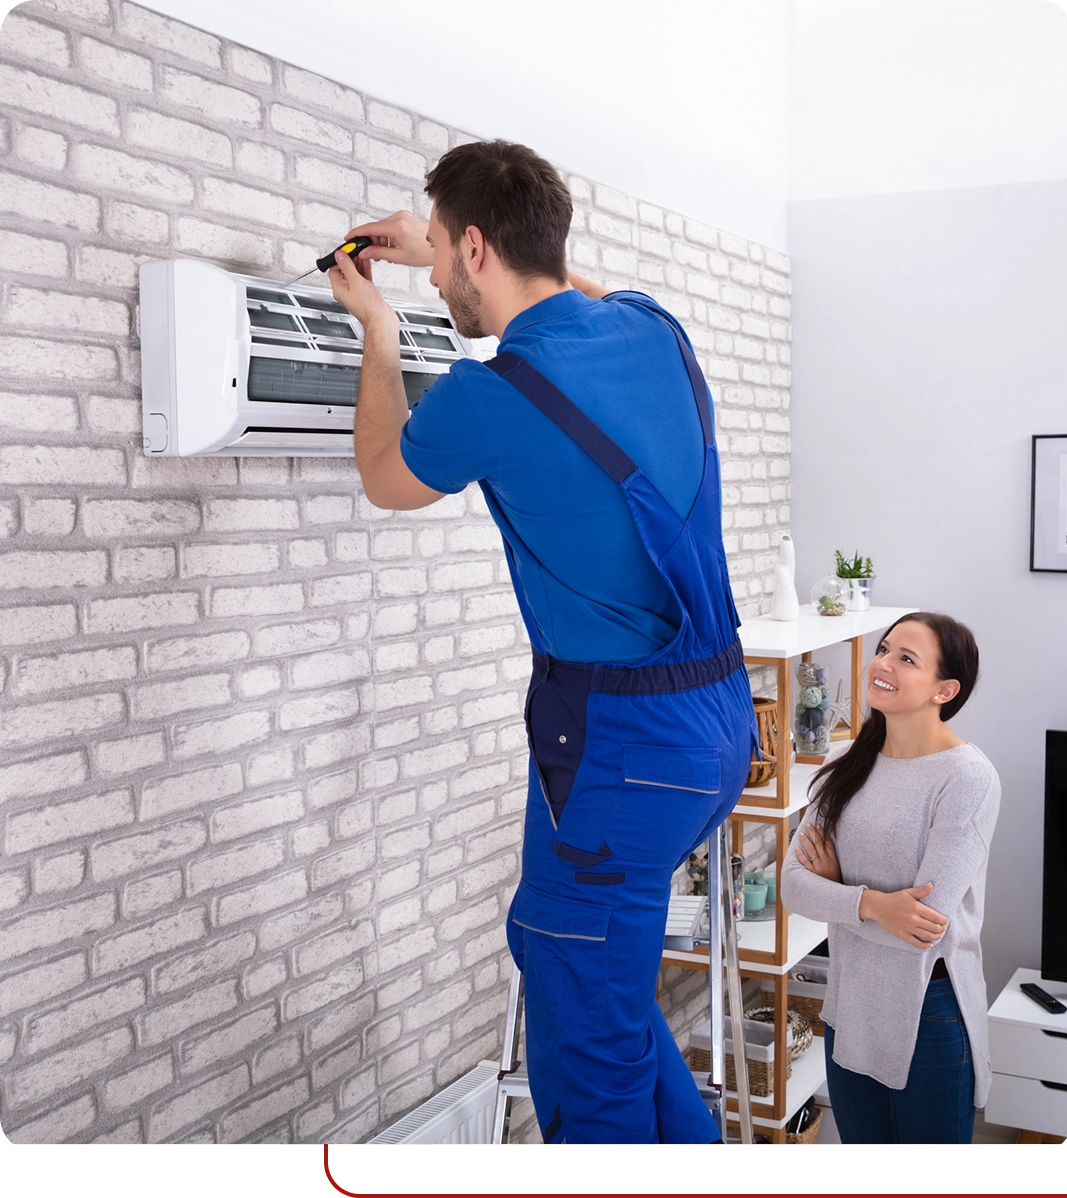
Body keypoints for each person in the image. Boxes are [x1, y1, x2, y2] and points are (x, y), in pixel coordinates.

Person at [325, 140, 759, 1144]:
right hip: (716, 727)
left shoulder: (489, 394)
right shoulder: (658, 334)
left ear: (475, 247)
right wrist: (449, 236)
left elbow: (388, 477)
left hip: (621, 748)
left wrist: (380, 327)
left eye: (437, 252)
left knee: (581, 1025)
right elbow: (579, 293)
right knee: (583, 972)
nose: (431, 273)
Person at [780, 612, 1000, 1145]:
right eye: (884, 649)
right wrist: (874, 904)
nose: (882, 664)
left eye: (906, 659)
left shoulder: (968, 778)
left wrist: (834, 889)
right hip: (849, 1007)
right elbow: (790, 886)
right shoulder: (848, 763)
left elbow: (923, 928)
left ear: (944, 689)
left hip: (929, 1013)